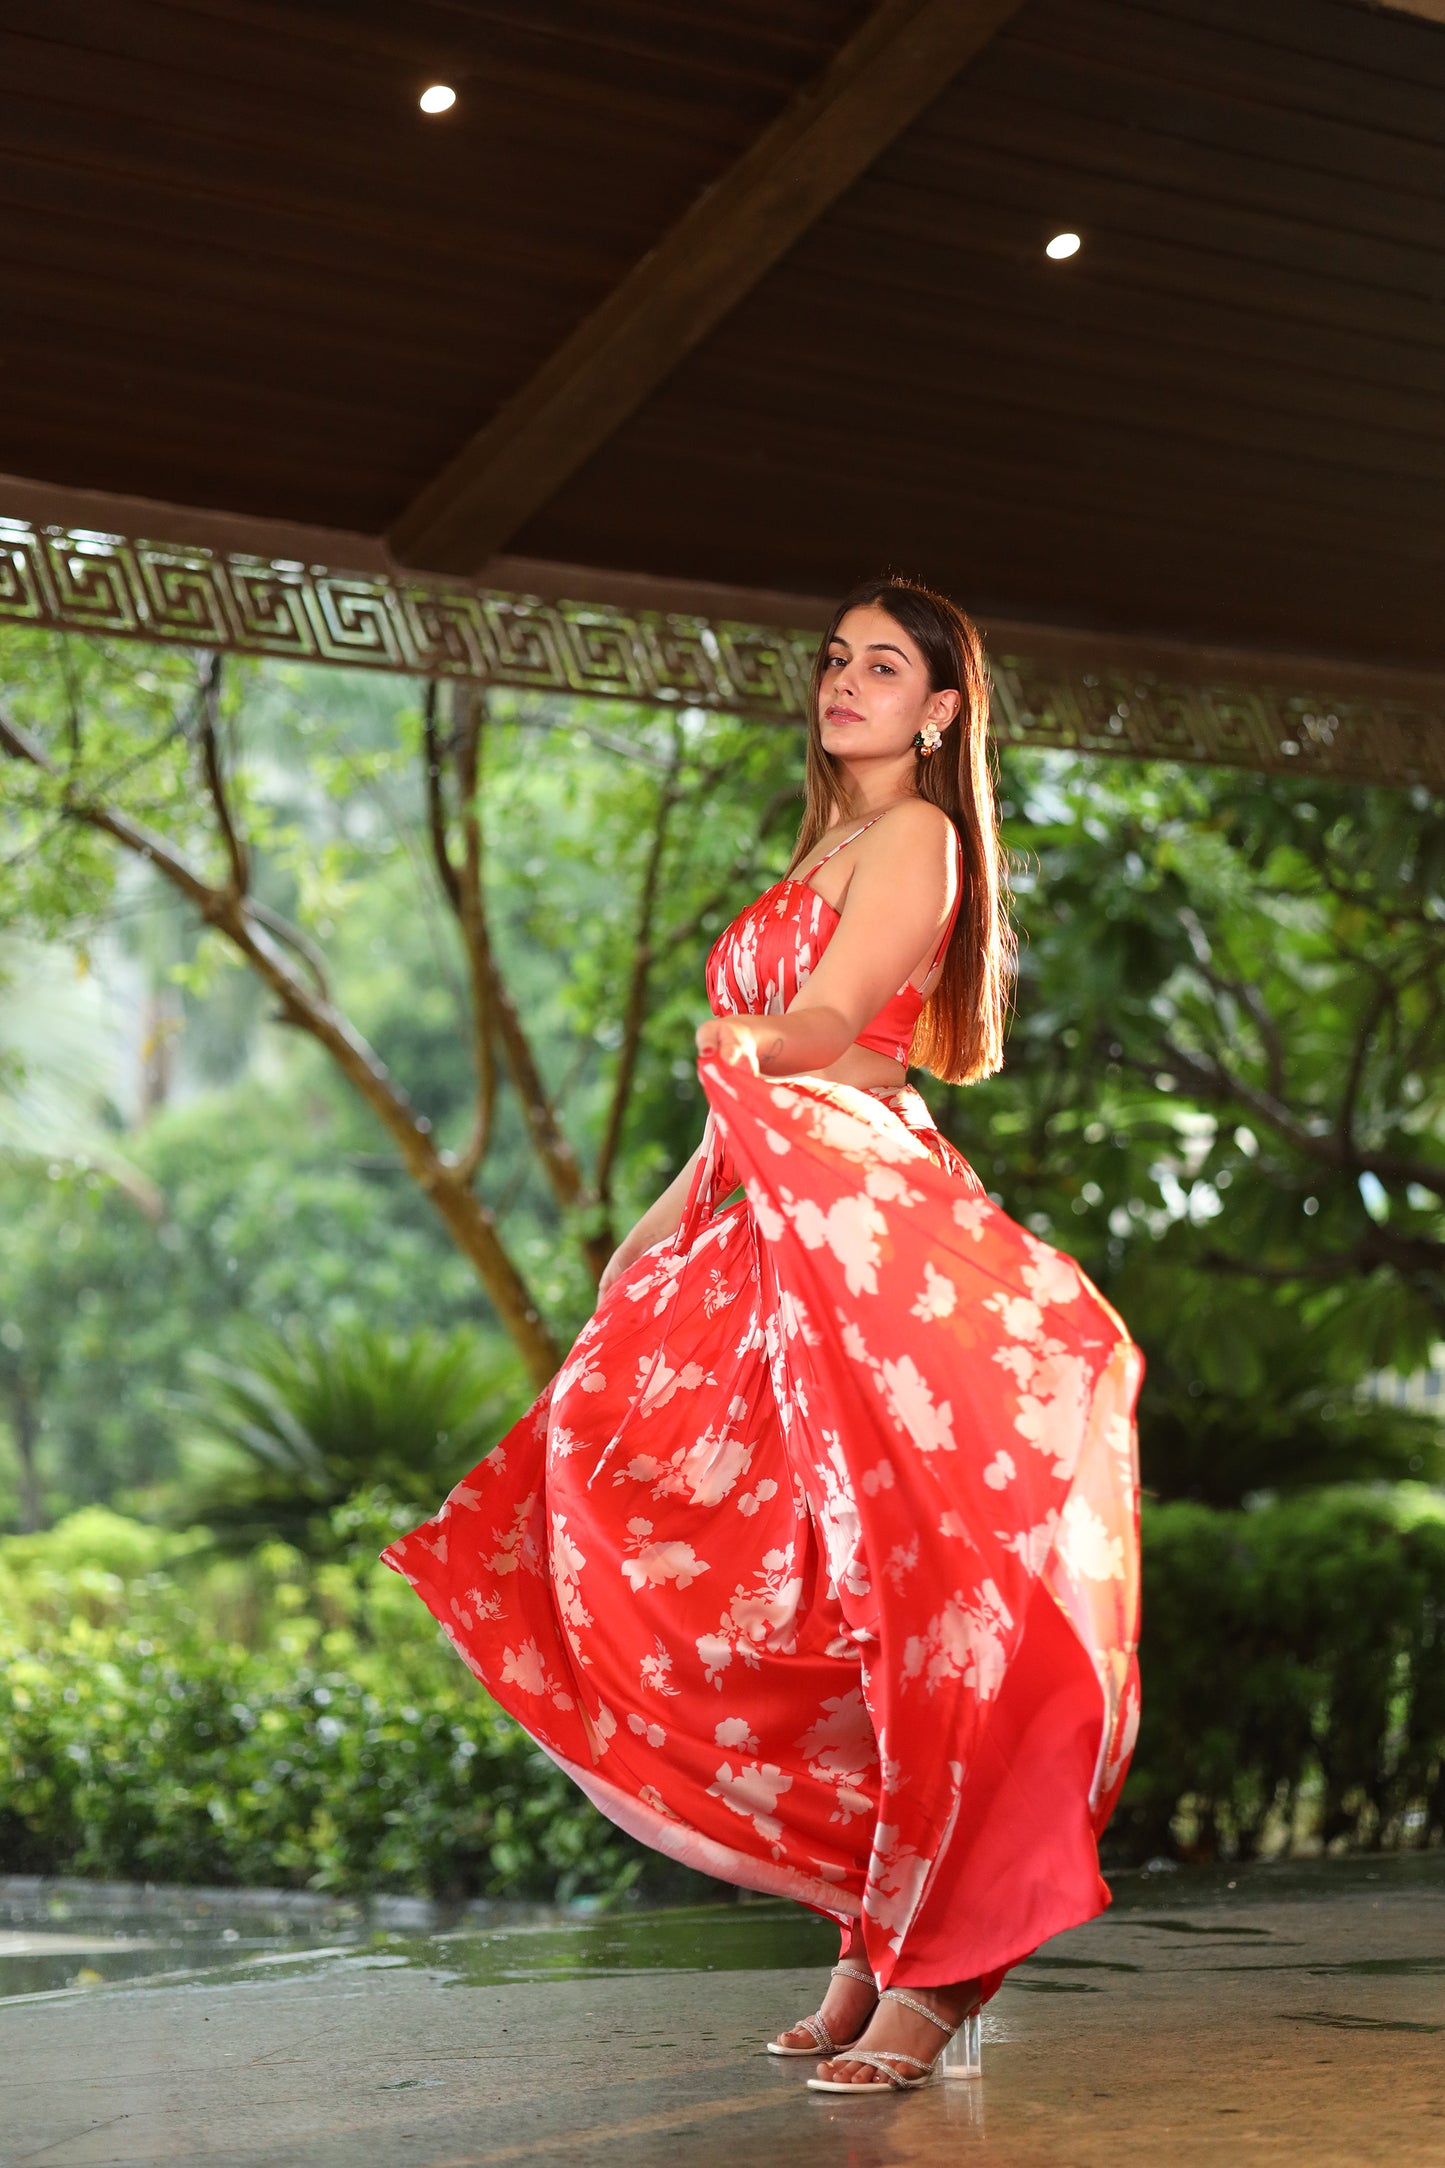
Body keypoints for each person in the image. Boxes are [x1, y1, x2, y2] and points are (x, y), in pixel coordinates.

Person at [384, 576, 1143, 2095]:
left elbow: (832, 1025)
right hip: (763, 1216)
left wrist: (742, 1043)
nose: (842, 682)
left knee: (910, 1586)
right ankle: (873, 1932)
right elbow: (764, 1068)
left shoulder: (919, 835)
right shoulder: (829, 840)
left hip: (861, 1225)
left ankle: (941, 1964)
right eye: (831, 659)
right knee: (778, 1570)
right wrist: (654, 1228)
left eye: (882, 666)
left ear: (939, 710)